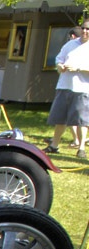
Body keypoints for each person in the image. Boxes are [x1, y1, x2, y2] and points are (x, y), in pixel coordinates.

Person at [45, 19, 89, 159]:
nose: (85, 31)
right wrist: (60, 66)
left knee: (81, 121)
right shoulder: (70, 44)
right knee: (60, 119)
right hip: (64, 86)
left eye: (88, 29)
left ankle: (81, 148)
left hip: (82, 88)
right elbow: (59, 60)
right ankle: (54, 145)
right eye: (83, 28)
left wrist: (78, 68)